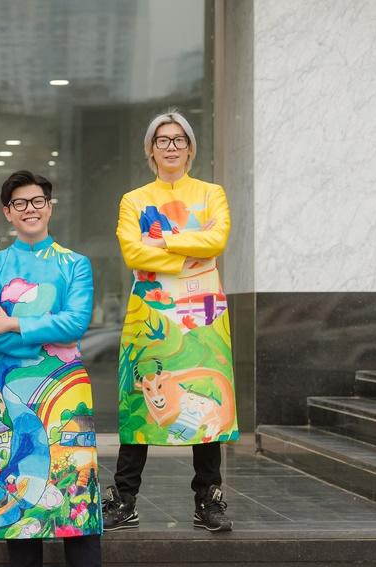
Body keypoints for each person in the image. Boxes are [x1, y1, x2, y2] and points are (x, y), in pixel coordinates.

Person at [0, 170, 111, 567]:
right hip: (7, 393)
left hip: (66, 394)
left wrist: (13, 323)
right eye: (20, 203)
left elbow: (76, 325)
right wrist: (42, 334)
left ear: (50, 206)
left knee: (77, 497)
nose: (30, 209)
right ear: (7, 213)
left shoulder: (75, 264)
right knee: (18, 494)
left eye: (37, 201)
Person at [104, 110, 237, 533]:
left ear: (190, 148)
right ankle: (125, 499)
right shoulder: (134, 199)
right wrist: (192, 254)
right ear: (151, 149)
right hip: (152, 314)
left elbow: (218, 240)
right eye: (162, 140)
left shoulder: (212, 193)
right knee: (139, 402)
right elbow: (133, 252)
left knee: (205, 404)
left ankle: (208, 500)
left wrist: (162, 239)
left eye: (179, 139)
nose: (171, 147)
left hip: (203, 315)